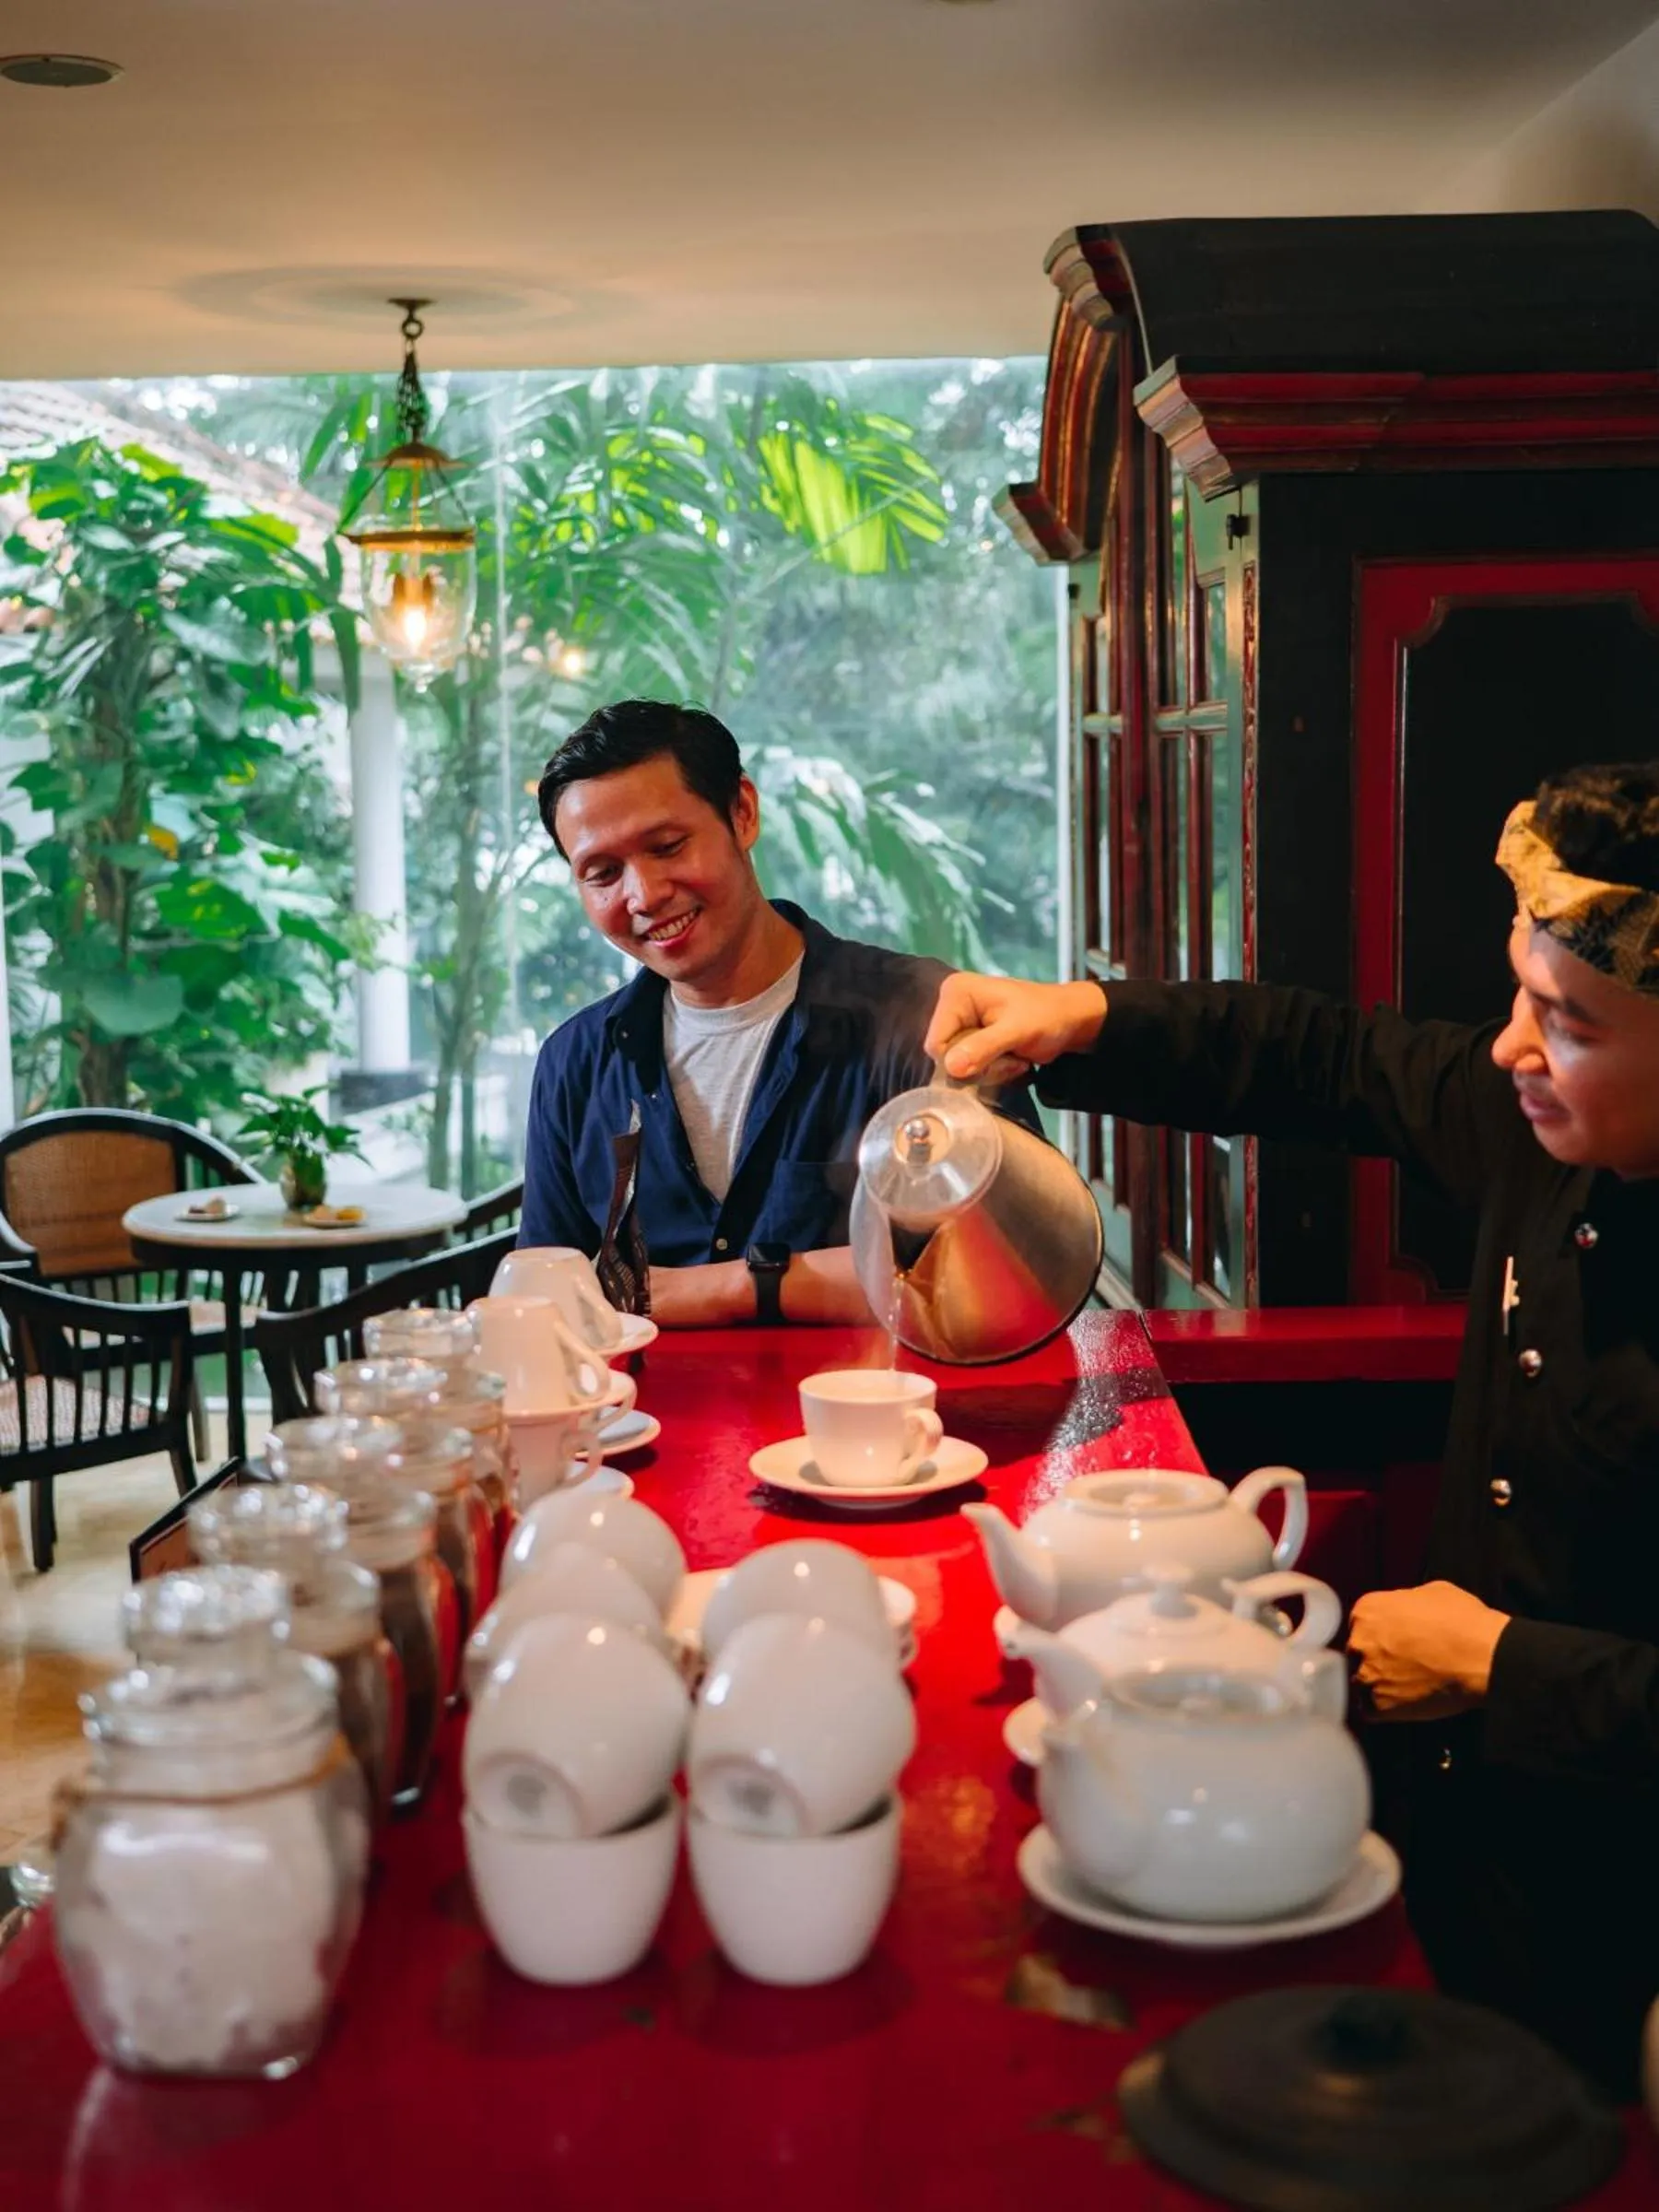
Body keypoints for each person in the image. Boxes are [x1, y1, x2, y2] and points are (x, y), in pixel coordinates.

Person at [924, 759, 1659, 2098]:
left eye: (1568, 1023)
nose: (1509, 1048)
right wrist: (1082, 1016)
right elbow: (1334, 1058)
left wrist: (1506, 1662)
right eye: (1518, 998)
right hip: (1455, 1836)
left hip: (1617, 1900)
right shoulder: (1544, 1139)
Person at [522, 699, 1038, 1327]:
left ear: (742, 812)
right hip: (646, 1426)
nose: (645, 895)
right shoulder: (575, 1063)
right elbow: (544, 1300)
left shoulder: (923, 1018)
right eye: (603, 873)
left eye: (667, 846)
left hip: (879, 1422)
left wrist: (741, 1286)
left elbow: (1013, 1275)